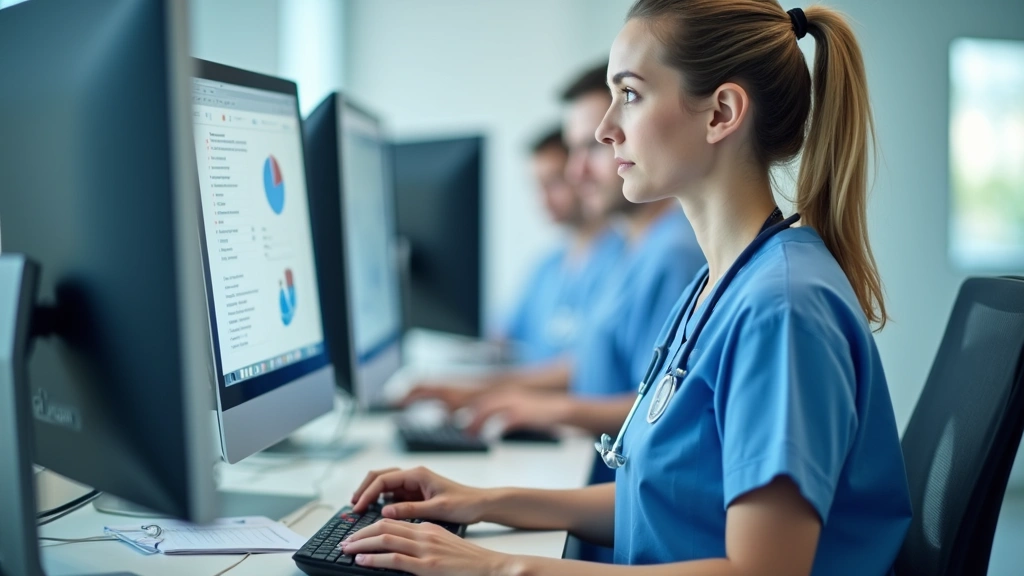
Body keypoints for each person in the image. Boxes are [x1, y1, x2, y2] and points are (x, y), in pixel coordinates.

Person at [339, 1, 913, 575]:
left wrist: (498, 567)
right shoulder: (716, 284)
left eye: (630, 94)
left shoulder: (781, 307)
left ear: (721, 113)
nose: (603, 128)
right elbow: (661, 501)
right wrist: (476, 500)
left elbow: (762, 571)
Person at [404, 64, 705, 445]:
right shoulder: (636, 249)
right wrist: (485, 391)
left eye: (596, 146)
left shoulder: (672, 255)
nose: (576, 174)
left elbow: (662, 409)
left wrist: (541, 407)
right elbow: (595, 368)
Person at [502, 128, 624, 367]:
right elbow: (504, 337)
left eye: (555, 183)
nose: (543, 199)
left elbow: (590, 367)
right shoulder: (545, 267)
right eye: (537, 186)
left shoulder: (624, 260)